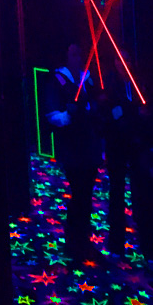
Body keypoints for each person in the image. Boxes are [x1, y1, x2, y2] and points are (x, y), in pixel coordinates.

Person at [45, 43, 102, 265]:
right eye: (74, 54)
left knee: (85, 195)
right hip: (71, 147)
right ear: (67, 56)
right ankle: (74, 243)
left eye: (80, 54)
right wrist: (69, 115)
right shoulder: (58, 79)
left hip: (90, 146)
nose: (78, 58)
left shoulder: (88, 79)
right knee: (79, 193)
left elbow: (96, 106)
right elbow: (51, 114)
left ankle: (83, 242)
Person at [102, 49, 153, 261]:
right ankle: (116, 246)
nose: (121, 63)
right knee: (116, 195)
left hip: (138, 145)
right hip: (116, 145)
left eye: (125, 59)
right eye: (118, 59)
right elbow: (109, 113)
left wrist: (130, 113)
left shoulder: (139, 83)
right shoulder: (109, 83)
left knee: (143, 195)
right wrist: (133, 112)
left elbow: (148, 110)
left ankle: (149, 248)